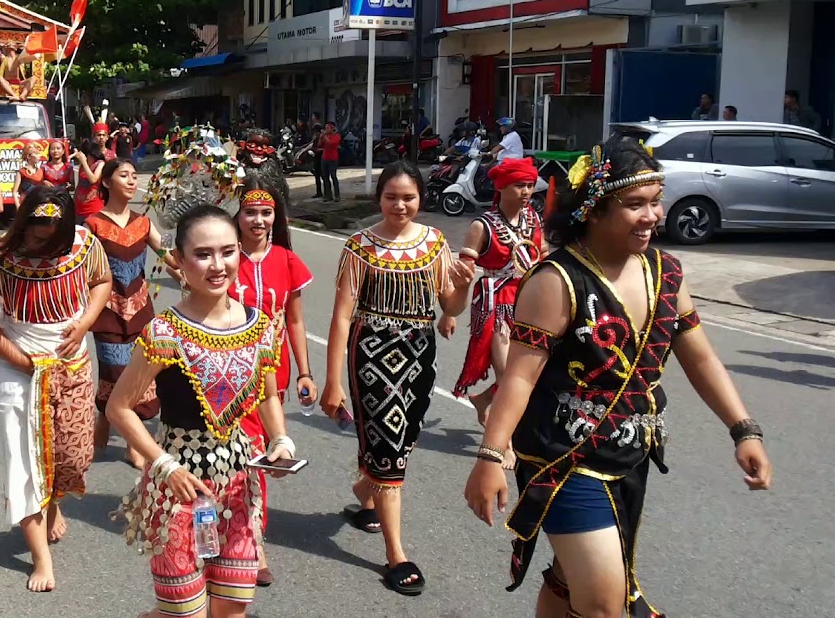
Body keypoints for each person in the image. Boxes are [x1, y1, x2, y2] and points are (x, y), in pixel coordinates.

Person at [463, 139, 773, 618]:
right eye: (635, 205)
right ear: (593, 209)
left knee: (572, 580)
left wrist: (743, 429)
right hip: (561, 457)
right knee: (606, 603)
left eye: (656, 201)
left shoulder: (668, 272)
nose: (652, 215)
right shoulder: (556, 280)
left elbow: (701, 358)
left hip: (631, 452)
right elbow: (521, 378)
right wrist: (489, 455)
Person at [109, 204, 296, 618]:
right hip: (178, 484)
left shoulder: (262, 326)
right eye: (203, 253)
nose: (218, 265)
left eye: (228, 252)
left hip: (237, 482)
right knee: (183, 612)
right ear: (178, 259)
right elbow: (119, 408)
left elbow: (267, 398)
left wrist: (280, 441)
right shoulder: (164, 332)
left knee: (231, 605)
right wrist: (165, 467)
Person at [319, 161, 470, 596]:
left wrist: (462, 286)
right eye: (391, 196)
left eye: (408, 197)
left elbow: (452, 308)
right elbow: (342, 316)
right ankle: (396, 553)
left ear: (421, 199)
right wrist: (334, 380)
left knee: (404, 439)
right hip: (371, 356)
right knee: (388, 446)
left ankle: (364, 489)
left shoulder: (435, 243)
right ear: (378, 198)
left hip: (420, 356)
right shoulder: (359, 247)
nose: (400, 205)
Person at [0, 186, 111, 593]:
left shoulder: (84, 244)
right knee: (22, 462)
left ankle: (53, 502)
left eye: (52, 226)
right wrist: (19, 359)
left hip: (71, 362)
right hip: (14, 365)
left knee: (73, 455)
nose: (42, 233)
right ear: (24, 218)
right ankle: (39, 557)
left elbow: (102, 282)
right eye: (35, 224)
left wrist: (82, 324)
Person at [232, 178, 315, 587]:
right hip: (228, 372)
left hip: (274, 376)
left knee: (263, 452)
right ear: (238, 215)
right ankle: (252, 542)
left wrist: (304, 371)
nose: (259, 220)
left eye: (267, 213)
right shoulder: (226, 258)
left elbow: (296, 321)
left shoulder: (286, 259)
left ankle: (247, 533)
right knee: (245, 454)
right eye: (251, 212)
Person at [445, 157, 547, 469]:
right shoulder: (481, 227)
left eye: (530, 185)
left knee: (531, 372)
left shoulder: (533, 220)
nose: (527, 191)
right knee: (508, 373)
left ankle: (483, 399)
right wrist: (449, 313)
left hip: (529, 301)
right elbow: (462, 274)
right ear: (502, 187)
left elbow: (543, 259)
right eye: (520, 185)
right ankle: (505, 444)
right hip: (495, 303)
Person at [84, 159, 176, 469]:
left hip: (140, 311)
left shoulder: (144, 223)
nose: (131, 181)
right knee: (114, 371)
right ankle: (107, 420)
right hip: (107, 310)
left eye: (134, 176)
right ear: (107, 182)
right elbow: (83, 271)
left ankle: (128, 440)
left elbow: (168, 257)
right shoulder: (93, 225)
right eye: (124, 175)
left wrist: (189, 276)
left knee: (140, 373)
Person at [71, 120, 115, 222]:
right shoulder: (86, 158)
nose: (101, 138)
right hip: (80, 202)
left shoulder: (111, 156)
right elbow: (80, 182)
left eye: (104, 135)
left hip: (101, 196)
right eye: (98, 135)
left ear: (107, 137)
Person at [319, 120, 342, 202]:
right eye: (325, 128)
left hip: (333, 159)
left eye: (327, 128)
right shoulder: (325, 136)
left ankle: (337, 195)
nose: (326, 129)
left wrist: (324, 135)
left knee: (333, 176)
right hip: (324, 158)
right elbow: (319, 144)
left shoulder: (336, 136)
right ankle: (327, 195)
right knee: (325, 177)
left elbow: (330, 143)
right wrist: (321, 137)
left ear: (332, 128)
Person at [309, 112, 324, 199]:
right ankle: (320, 191)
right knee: (318, 175)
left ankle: (322, 192)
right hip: (317, 156)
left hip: (320, 157)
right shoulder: (316, 138)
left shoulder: (320, 138)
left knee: (321, 175)